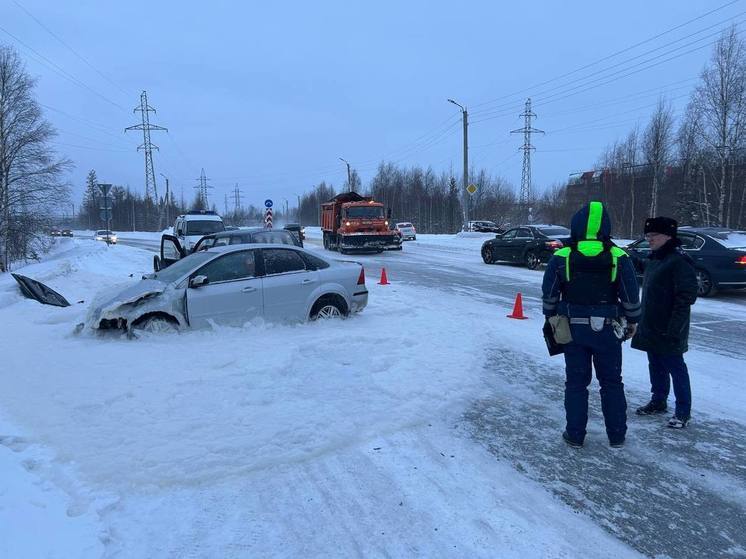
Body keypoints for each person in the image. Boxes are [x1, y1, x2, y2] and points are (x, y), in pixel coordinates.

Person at [542, 201, 641, 448]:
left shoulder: (562, 255)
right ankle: (617, 435)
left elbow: (550, 294)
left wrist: (551, 317)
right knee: (611, 382)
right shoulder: (619, 256)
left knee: (576, 383)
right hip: (608, 328)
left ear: (576, 225)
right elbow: (630, 295)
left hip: (572, 329)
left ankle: (575, 434)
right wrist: (633, 320)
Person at [631, 217, 698, 429]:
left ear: (668, 236)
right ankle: (658, 400)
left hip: (670, 326)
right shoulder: (656, 258)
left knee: (675, 367)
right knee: (656, 365)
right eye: (647, 235)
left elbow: (686, 296)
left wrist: (674, 327)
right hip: (651, 323)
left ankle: (683, 412)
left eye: (653, 236)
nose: (648, 239)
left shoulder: (678, 261)